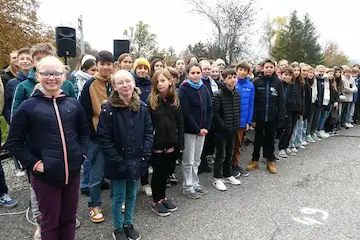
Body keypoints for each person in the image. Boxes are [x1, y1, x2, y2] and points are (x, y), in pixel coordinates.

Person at [6, 56, 90, 240]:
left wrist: (81, 155)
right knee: (50, 222)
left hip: (73, 174)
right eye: (46, 73)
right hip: (45, 177)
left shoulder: (73, 104)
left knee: (69, 219)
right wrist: (35, 164)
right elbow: (14, 142)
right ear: (38, 76)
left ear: (64, 76)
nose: (51, 77)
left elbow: (85, 133)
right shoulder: (28, 107)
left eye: (56, 73)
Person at [97, 70, 152, 240]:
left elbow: (148, 132)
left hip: (136, 160)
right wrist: (116, 159)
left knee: (132, 194)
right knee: (118, 196)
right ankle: (118, 227)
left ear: (133, 83)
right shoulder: (108, 109)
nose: (125, 85)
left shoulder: (142, 107)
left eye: (128, 81)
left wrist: (145, 155)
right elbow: (104, 137)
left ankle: (129, 223)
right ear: (114, 86)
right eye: (120, 82)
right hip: (118, 161)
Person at [80, 50, 114, 223]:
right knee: (96, 172)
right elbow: (84, 113)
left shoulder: (116, 82)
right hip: (97, 137)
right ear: (97, 66)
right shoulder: (90, 85)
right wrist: (91, 135)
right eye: (102, 64)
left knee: (115, 170)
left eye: (109, 64)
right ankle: (94, 204)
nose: (106, 67)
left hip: (116, 136)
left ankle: (117, 199)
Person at [148, 68, 184, 216]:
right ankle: (156, 200)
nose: (160, 84)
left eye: (163, 80)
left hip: (171, 143)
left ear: (170, 81)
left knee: (166, 172)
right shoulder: (151, 102)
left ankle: (163, 197)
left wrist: (180, 142)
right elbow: (148, 125)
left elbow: (180, 122)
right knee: (157, 173)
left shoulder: (174, 101)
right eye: (157, 82)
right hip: (156, 145)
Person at [179, 63, 213, 199]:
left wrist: (206, 127)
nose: (196, 75)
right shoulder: (184, 89)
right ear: (188, 74)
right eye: (193, 73)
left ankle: (194, 182)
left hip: (202, 131)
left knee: (197, 158)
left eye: (198, 72)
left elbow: (209, 108)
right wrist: (197, 129)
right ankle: (187, 186)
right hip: (190, 131)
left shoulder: (203, 88)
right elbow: (185, 112)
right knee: (188, 159)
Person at [247, 59, 285, 174]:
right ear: (262, 68)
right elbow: (252, 101)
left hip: (272, 117)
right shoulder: (256, 81)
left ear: (274, 68)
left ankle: (270, 160)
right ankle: (255, 160)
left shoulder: (278, 82)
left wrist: (280, 117)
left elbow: (281, 101)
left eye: (271, 67)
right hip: (259, 117)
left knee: (270, 139)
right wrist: (253, 118)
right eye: (266, 67)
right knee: (258, 139)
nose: (268, 69)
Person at [212, 68, 241, 191]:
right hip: (221, 130)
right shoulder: (218, 94)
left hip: (233, 129)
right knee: (220, 154)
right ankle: (217, 177)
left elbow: (237, 111)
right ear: (224, 79)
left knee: (230, 152)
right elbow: (215, 114)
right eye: (229, 77)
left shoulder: (237, 94)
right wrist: (224, 126)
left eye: (234, 77)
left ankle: (227, 174)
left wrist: (236, 125)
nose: (233, 79)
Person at [131, 57, 153, 197]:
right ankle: (131, 183)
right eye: (140, 67)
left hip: (148, 122)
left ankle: (145, 183)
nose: (142, 70)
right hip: (132, 122)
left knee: (146, 154)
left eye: (145, 68)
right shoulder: (131, 82)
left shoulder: (151, 84)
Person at [232, 60, 254, 177]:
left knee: (238, 144)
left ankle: (235, 164)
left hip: (242, 121)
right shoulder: (233, 83)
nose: (242, 72)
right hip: (231, 121)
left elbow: (251, 104)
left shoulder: (250, 86)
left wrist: (248, 121)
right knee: (230, 144)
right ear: (236, 70)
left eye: (245, 70)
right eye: (240, 69)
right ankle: (228, 165)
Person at [198, 60, 218, 174]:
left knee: (209, 139)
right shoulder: (199, 82)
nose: (207, 71)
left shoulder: (213, 83)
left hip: (211, 114)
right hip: (202, 115)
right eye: (204, 69)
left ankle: (205, 161)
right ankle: (200, 164)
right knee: (202, 142)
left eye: (208, 69)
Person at [278, 67, 302, 158]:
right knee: (286, 129)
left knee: (291, 129)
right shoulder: (280, 85)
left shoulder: (294, 85)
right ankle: (282, 148)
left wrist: (300, 110)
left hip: (294, 110)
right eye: (285, 75)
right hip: (285, 110)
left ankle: (287, 146)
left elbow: (298, 98)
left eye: (289, 75)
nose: (287, 77)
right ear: (282, 75)